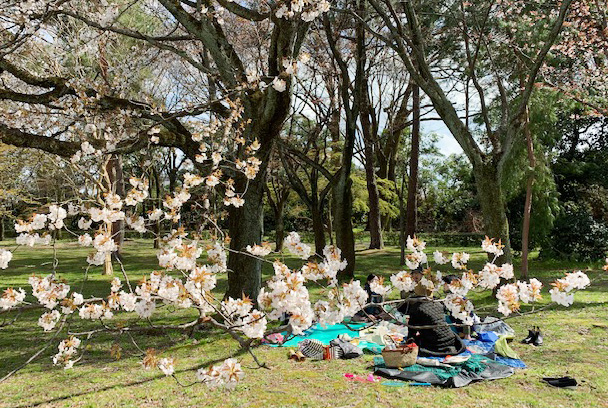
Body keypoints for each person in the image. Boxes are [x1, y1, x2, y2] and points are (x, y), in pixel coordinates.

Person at [398, 267, 466, 357]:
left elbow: (412, 332)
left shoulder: (417, 308)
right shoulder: (438, 304)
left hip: (435, 343)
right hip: (450, 339)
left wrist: (409, 343)